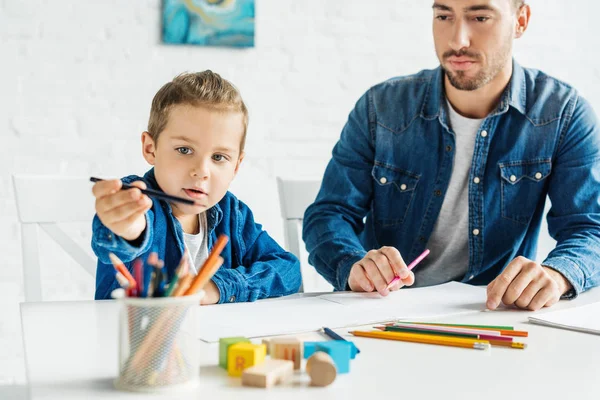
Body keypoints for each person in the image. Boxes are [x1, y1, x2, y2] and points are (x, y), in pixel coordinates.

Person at [303, 0, 600, 311]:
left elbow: (590, 228)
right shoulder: (381, 108)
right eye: (443, 16)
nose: (457, 40)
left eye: (480, 17)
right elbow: (329, 214)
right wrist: (353, 265)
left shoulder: (563, 114)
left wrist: (557, 275)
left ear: (520, 21)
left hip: (493, 314)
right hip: (385, 312)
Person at [92, 71, 301, 303]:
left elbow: (289, 270)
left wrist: (217, 287)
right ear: (151, 148)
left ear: (236, 166)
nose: (202, 171)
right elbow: (122, 236)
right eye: (184, 150)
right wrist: (129, 230)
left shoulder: (233, 214)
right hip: (135, 337)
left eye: (219, 157)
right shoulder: (137, 198)